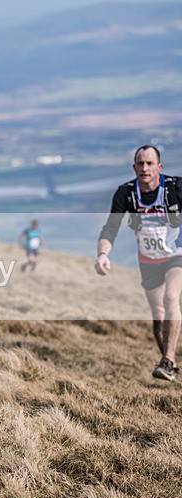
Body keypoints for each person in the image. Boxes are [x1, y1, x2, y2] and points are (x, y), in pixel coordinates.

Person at [95, 145, 182, 382]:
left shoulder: (175, 188)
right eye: (140, 164)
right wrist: (103, 254)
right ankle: (168, 362)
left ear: (159, 167)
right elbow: (110, 229)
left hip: (177, 255)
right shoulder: (126, 194)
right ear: (134, 167)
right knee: (159, 315)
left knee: (171, 298)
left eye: (150, 163)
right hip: (148, 260)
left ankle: (168, 360)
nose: (145, 168)